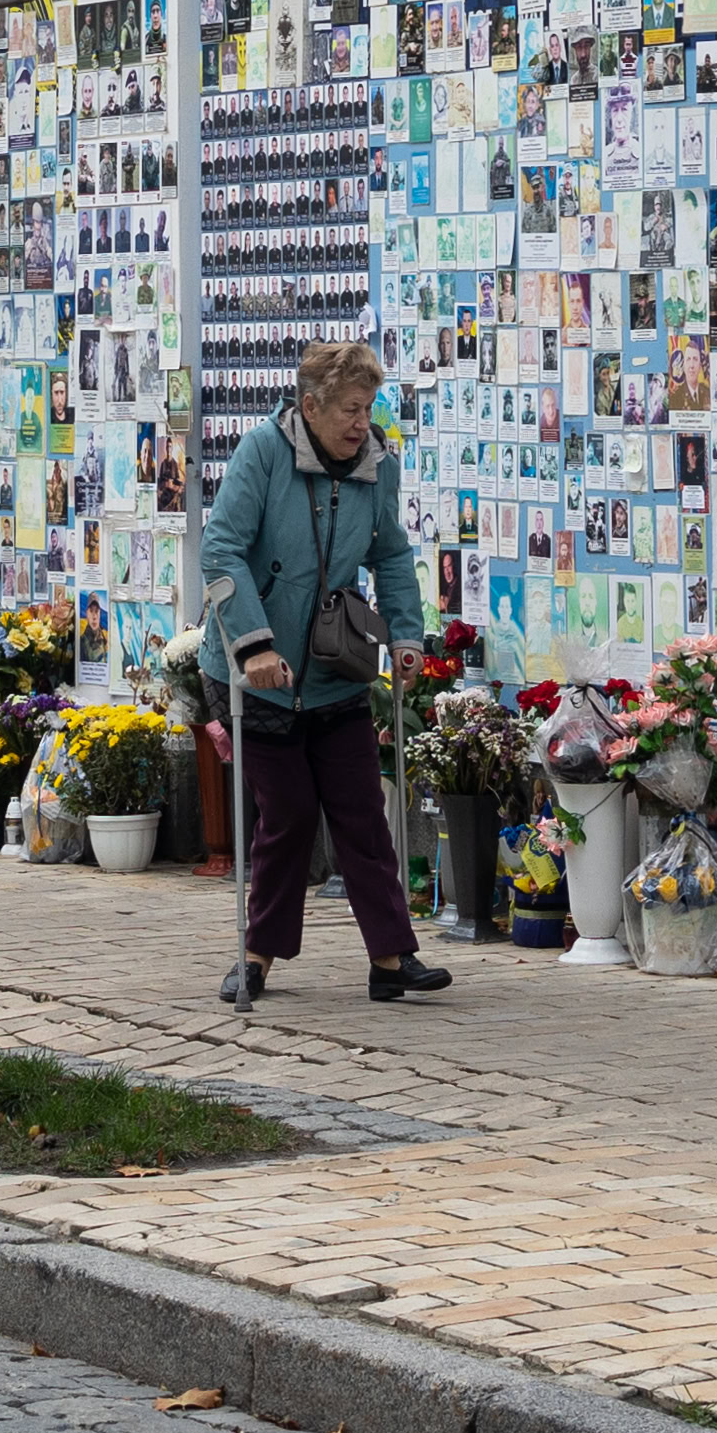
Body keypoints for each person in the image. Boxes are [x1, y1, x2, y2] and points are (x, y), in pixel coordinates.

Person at [200, 340, 440, 1010]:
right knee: (290, 813)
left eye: (367, 408)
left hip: (335, 663)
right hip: (255, 671)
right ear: (309, 407)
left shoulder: (375, 465)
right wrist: (251, 645)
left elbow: (390, 553)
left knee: (362, 807)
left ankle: (392, 959)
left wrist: (406, 631)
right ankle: (254, 956)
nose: (361, 422)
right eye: (348, 409)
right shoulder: (262, 453)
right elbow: (220, 550)